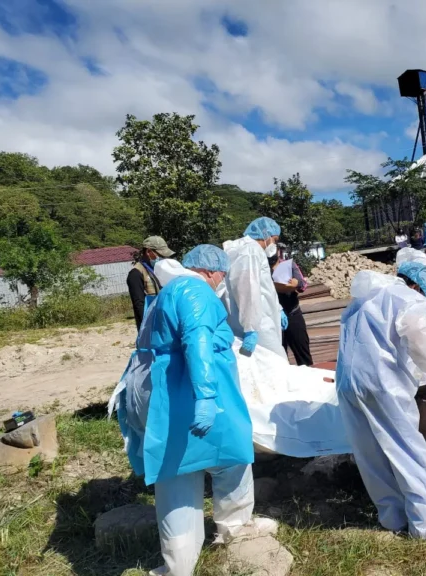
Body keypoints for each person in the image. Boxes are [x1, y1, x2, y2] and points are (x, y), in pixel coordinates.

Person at [117, 245, 276, 576]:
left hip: (162, 390)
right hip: (189, 390)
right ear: (211, 270)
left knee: (176, 472)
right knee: (231, 456)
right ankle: (234, 528)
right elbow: (197, 339)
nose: (222, 279)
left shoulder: (168, 290)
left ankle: (178, 566)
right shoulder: (194, 289)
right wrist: (205, 396)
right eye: (222, 273)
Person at [336, 262, 426, 539]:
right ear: (416, 286)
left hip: (348, 383)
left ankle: (392, 519)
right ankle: (424, 527)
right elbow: (419, 338)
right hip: (382, 383)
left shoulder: (363, 299)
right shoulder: (406, 298)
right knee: (408, 450)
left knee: (371, 453)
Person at [221, 217, 288, 359]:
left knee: (258, 366)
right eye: (274, 240)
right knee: (275, 363)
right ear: (266, 234)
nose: (274, 244)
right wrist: (251, 328)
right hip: (258, 323)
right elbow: (248, 289)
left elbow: (263, 286)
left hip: (254, 318)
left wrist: (279, 309)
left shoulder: (242, 249)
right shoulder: (251, 251)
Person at [270, 253, 313, 366]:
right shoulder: (260, 268)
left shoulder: (288, 265)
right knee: (279, 359)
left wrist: (296, 283)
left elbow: (303, 284)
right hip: (273, 320)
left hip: (293, 314)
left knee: (303, 355)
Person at [127, 236, 174, 331]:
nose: (163, 258)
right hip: (151, 325)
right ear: (148, 252)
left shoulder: (159, 269)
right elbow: (139, 305)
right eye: (160, 254)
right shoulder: (136, 274)